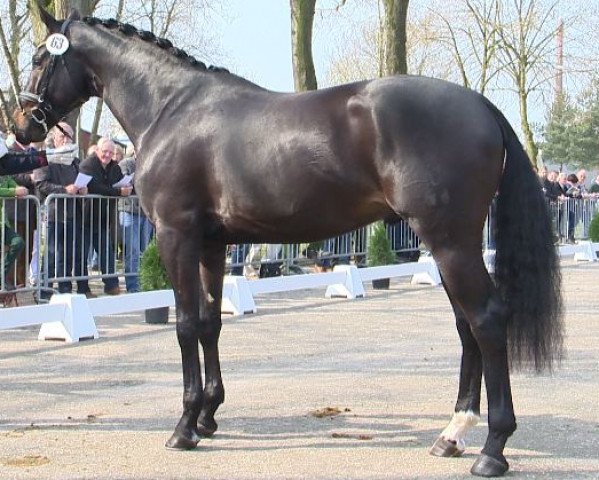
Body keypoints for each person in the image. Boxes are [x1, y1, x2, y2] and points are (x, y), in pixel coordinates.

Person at [34, 122, 95, 299]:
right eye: (63, 135)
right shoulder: (44, 157)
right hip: (54, 213)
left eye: (69, 135)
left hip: (73, 214)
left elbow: (80, 181)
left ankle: (64, 289)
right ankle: (44, 292)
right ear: (54, 137)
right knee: (52, 255)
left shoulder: (75, 161)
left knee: (69, 254)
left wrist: (83, 189)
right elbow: (40, 183)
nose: (66, 139)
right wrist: (64, 190)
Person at [79, 137, 132, 295]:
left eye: (111, 152)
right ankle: (83, 288)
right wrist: (117, 192)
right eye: (104, 151)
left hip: (103, 218)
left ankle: (111, 285)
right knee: (82, 255)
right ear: (97, 151)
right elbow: (94, 186)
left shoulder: (114, 167)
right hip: (85, 217)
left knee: (106, 252)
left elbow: (120, 181)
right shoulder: (88, 164)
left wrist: (127, 187)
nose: (107, 155)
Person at [118, 146, 154, 292]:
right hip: (129, 210)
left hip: (145, 212)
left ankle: (144, 281)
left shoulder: (151, 161)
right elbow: (125, 184)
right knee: (132, 249)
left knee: (145, 249)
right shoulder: (126, 163)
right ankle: (133, 285)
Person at [0, 174, 27, 292]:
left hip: (2, 224)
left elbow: (17, 188)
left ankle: (1, 276)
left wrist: (20, 190)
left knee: (18, 242)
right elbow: (15, 190)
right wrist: (14, 191)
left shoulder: (4, 175)